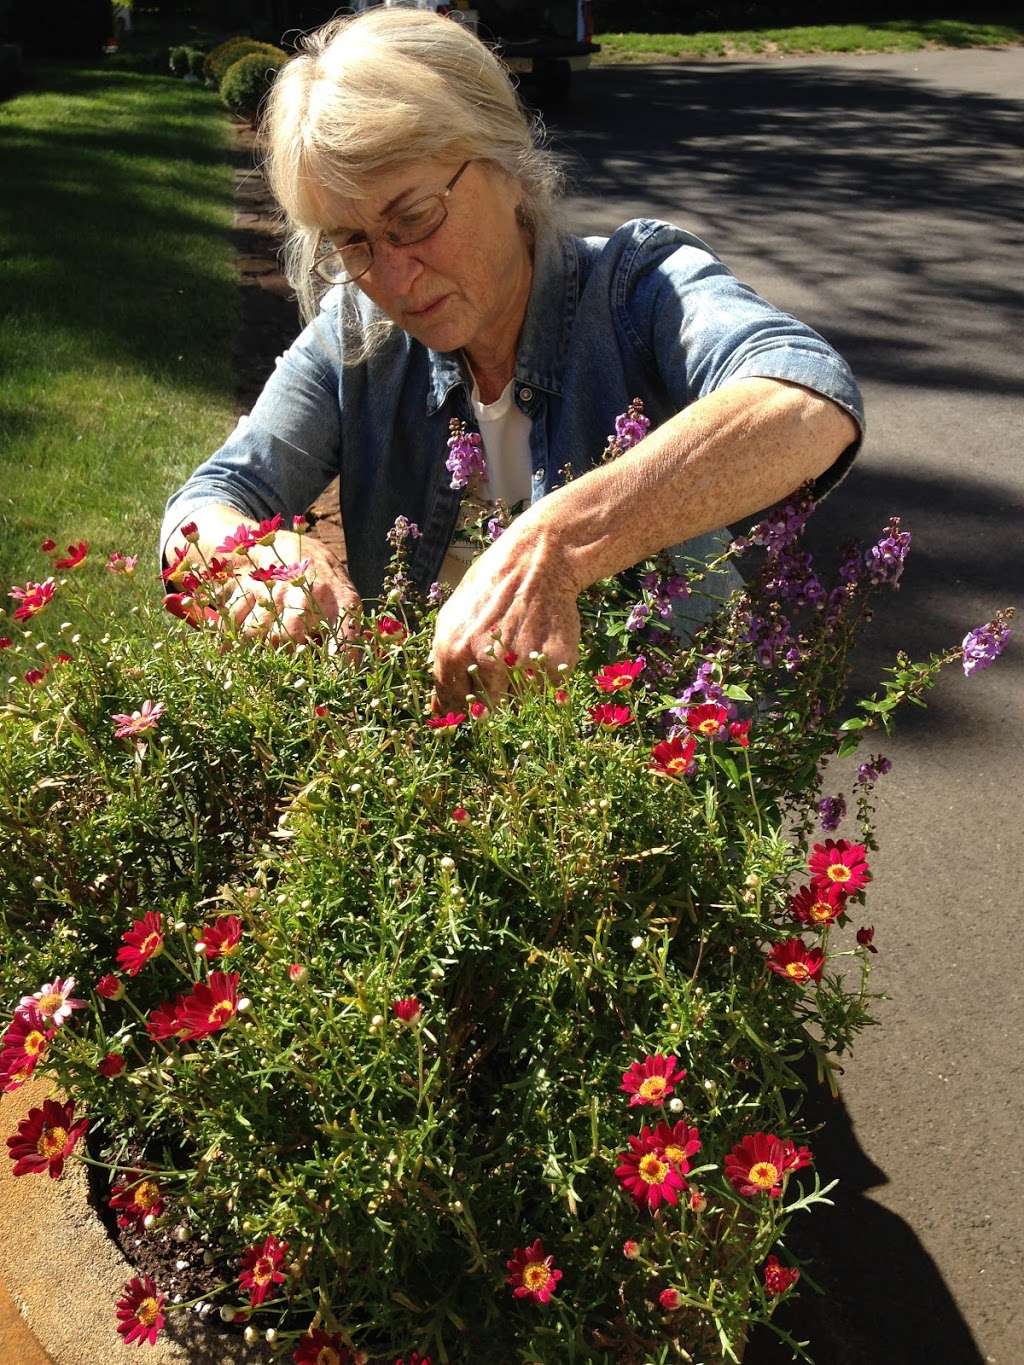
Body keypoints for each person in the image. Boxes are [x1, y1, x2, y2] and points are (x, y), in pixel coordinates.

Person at [161, 7, 863, 711]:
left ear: (507, 165)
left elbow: (806, 395)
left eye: (415, 218)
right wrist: (259, 558)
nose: (394, 278)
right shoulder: (359, 335)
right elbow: (205, 504)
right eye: (353, 240)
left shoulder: (636, 289)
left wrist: (555, 542)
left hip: (673, 790)